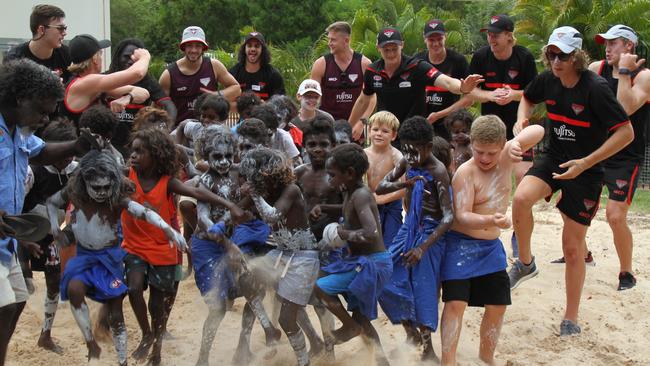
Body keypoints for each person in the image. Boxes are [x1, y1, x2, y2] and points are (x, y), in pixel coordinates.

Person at [508, 27, 634, 336]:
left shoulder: (596, 88)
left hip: (587, 170)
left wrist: (587, 162)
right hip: (554, 157)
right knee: (521, 199)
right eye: (551, 54)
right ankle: (525, 262)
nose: (555, 61)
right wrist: (519, 121)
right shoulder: (547, 79)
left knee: (573, 247)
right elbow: (526, 98)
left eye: (562, 55)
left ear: (576, 56)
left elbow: (626, 132)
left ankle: (571, 318)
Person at [0, 59, 102, 366]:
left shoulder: (19, 130)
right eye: (42, 110)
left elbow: (41, 150)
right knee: (3, 307)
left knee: (17, 299)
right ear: (20, 98)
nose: (46, 117)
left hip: (7, 240)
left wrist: (77, 145)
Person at [45, 150, 186, 366]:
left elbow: (145, 213)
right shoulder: (74, 193)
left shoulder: (117, 200)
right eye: (96, 188)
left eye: (106, 187)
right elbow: (51, 202)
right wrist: (55, 229)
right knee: (74, 291)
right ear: (85, 183)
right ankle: (91, 342)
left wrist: (168, 229)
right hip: (84, 257)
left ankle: (122, 361)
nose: (102, 192)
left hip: (110, 260)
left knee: (115, 311)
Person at [440, 115, 544, 365]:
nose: (485, 158)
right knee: (455, 303)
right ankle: (448, 361)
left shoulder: (508, 153)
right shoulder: (466, 173)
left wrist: (518, 142)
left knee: (498, 304)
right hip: (459, 244)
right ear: (472, 144)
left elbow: (539, 130)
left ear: (502, 146)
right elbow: (461, 215)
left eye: (491, 153)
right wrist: (491, 221)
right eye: (479, 152)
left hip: (490, 248)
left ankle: (486, 358)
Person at [376, 116, 453, 361]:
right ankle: (411, 334)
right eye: (405, 151)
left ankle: (428, 348)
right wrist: (407, 184)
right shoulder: (408, 163)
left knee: (423, 289)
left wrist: (422, 248)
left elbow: (450, 217)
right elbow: (380, 187)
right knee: (383, 275)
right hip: (408, 227)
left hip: (430, 233)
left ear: (428, 147)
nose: (409, 157)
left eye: (414, 151)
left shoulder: (438, 171)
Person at [239, 147, 321, 366]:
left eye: (252, 177)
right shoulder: (269, 192)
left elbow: (271, 215)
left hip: (304, 257)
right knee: (246, 278)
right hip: (282, 253)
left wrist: (253, 194)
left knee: (287, 318)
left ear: (265, 175)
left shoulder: (291, 189)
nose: (249, 181)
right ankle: (268, 328)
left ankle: (304, 362)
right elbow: (236, 214)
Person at [314, 143, 393, 366]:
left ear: (348, 173)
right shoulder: (350, 191)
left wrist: (344, 233)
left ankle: (349, 327)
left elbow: (371, 232)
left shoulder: (360, 194)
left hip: (373, 264)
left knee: (320, 286)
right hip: (363, 262)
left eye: (332, 175)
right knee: (363, 322)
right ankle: (382, 361)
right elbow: (347, 210)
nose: (329, 179)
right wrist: (325, 207)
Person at [468, 14, 539, 257]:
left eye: (496, 34)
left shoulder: (525, 57)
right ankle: (483, 228)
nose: (491, 38)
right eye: (488, 33)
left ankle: (520, 235)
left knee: (522, 182)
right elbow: (469, 92)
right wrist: (490, 95)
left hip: (519, 127)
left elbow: (533, 94)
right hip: (490, 131)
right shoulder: (480, 57)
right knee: (486, 181)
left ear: (509, 35)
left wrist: (512, 94)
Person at [588, 24, 649, 290]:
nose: (607, 47)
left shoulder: (643, 76)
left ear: (629, 47)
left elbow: (623, 109)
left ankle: (627, 273)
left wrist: (624, 71)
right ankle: (581, 254)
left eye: (614, 42)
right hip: (597, 150)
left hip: (625, 157)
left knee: (615, 215)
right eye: (606, 42)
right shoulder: (595, 69)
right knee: (571, 204)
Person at [348, 27, 483, 143]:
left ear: (402, 45)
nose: (391, 54)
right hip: (385, 134)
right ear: (378, 48)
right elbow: (363, 100)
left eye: (394, 49)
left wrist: (462, 87)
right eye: (386, 50)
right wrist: (348, 127)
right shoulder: (372, 71)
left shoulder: (417, 66)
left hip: (414, 135)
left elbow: (446, 81)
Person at [20, 120, 77, 354]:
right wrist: (21, 240)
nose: (65, 160)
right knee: (22, 289)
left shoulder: (76, 170)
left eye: (69, 154)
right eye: (60, 154)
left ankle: (45, 334)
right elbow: (12, 207)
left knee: (54, 282)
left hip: (51, 234)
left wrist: (68, 230)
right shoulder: (32, 171)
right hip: (20, 233)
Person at [107, 38, 177, 157]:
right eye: (126, 56)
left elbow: (169, 106)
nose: (130, 61)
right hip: (109, 145)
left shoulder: (147, 82)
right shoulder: (105, 79)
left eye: (135, 59)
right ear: (117, 57)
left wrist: (165, 129)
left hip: (136, 146)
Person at [63, 34, 151, 127]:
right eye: (100, 54)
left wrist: (128, 98)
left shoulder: (94, 85)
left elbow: (144, 93)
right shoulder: (86, 83)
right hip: (75, 140)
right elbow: (137, 74)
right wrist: (145, 57)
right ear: (95, 59)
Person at [159, 26, 241, 125]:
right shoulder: (169, 74)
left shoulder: (214, 65)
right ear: (183, 47)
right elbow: (158, 105)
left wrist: (215, 96)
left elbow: (236, 89)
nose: (194, 50)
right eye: (189, 45)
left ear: (204, 48)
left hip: (210, 128)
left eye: (198, 46)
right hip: (180, 131)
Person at [414, 19, 471, 140]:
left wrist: (439, 115)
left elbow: (469, 99)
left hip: (451, 124)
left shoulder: (458, 61)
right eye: (431, 40)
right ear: (424, 39)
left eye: (439, 39)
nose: (436, 44)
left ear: (445, 37)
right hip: (423, 123)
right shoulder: (417, 61)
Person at [310, 21, 375, 121]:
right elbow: (312, 96)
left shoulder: (364, 64)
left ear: (346, 41)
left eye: (333, 40)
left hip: (355, 126)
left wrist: (361, 123)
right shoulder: (321, 64)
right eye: (329, 39)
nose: (329, 43)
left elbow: (371, 98)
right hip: (328, 126)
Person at [364, 111, 404, 247]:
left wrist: (381, 199)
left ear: (393, 135)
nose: (379, 134)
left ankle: (388, 265)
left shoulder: (397, 157)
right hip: (368, 202)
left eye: (385, 131)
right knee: (368, 240)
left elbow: (405, 187)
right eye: (375, 129)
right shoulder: (363, 154)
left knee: (390, 242)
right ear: (369, 131)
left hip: (391, 204)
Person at [5, 4, 71, 83]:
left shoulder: (67, 54)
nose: (65, 33)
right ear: (41, 30)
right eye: (60, 28)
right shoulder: (15, 59)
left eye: (65, 28)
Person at [229, 31, 285, 100]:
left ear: (262, 50)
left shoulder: (273, 75)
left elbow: (280, 104)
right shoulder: (233, 73)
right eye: (249, 46)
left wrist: (264, 106)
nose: (253, 49)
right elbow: (227, 101)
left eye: (257, 46)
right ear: (244, 49)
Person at [444, 109, 473, 174]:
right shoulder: (452, 145)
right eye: (456, 132)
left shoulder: (470, 147)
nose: (460, 135)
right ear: (450, 132)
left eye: (464, 132)